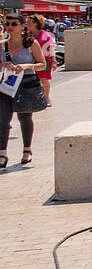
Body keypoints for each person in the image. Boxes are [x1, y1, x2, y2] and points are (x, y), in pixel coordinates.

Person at [1, 14, 47, 167]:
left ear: (22, 26)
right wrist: (3, 65)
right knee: (3, 119)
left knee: (25, 117)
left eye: (14, 24)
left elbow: (42, 65)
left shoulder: (31, 44)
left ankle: (27, 150)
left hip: (26, 85)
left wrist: (27, 66)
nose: (10, 27)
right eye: (7, 24)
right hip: (6, 86)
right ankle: (2, 152)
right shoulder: (2, 45)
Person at [25, 13, 56, 105]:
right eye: (27, 22)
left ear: (36, 23)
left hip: (44, 60)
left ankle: (47, 98)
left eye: (29, 22)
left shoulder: (45, 34)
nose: (27, 23)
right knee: (32, 80)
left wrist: (54, 61)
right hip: (31, 60)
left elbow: (51, 48)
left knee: (43, 79)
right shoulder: (27, 35)